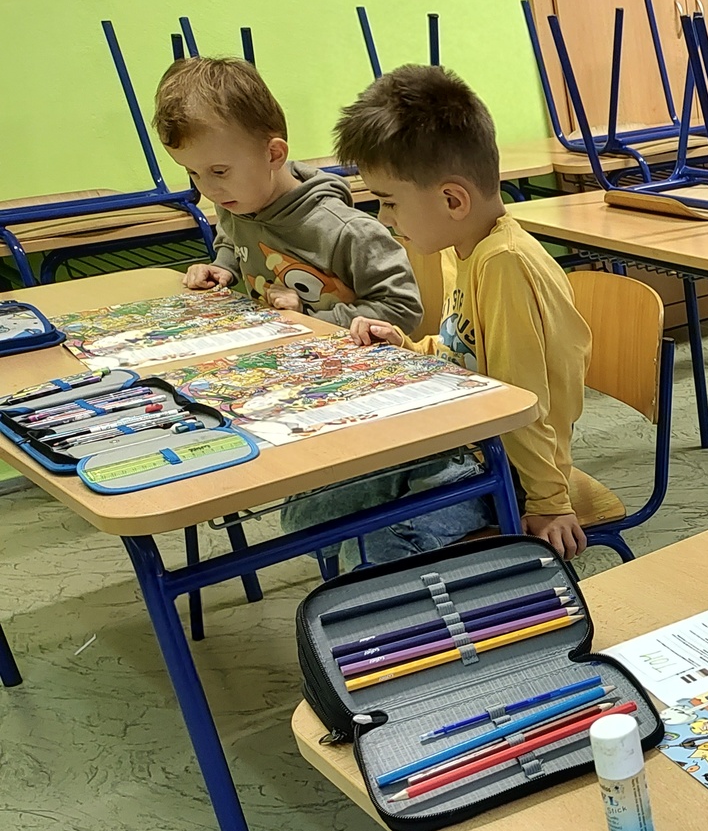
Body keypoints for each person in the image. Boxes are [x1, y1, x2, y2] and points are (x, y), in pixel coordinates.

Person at [283, 65, 600, 561]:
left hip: (509, 468)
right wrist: (409, 347)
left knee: (374, 547)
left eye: (389, 202)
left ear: (452, 199)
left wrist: (548, 501)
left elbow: (523, 402)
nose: (384, 219)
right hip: (467, 439)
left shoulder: (505, 264)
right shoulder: (465, 246)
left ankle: (440, 605)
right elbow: (467, 351)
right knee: (306, 514)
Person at [153, 56, 420, 331]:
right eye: (193, 173)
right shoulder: (235, 203)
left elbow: (402, 308)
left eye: (219, 171)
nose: (208, 189)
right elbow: (232, 238)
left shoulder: (348, 231)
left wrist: (308, 316)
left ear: (273, 154)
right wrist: (222, 268)